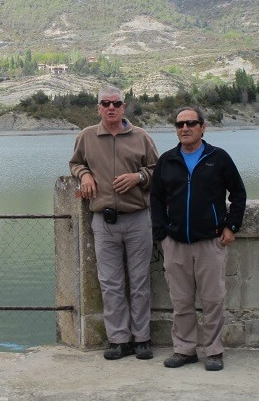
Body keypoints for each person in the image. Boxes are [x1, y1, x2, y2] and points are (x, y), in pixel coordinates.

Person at [150, 106, 246, 372]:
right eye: (180, 124)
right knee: (181, 301)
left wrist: (231, 226)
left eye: (191, 123)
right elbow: (156, 198)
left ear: (203, 128)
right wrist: (161, 234)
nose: (185, 128)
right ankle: (184, 350)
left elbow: (238, 193)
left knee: (213, 300)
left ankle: (214, 351)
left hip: (210, 242)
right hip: (176, 243)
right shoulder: (167, 160)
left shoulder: (218, 158)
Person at [69, 85, 160, 361]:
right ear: (98, 108)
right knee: (110, 283)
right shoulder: (86, 137)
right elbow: (75, 163)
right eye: (106, 103)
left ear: (124, 107)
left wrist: (138, 177)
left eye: (116, 103)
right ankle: (119, 340)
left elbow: (158, 170)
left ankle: (142, 338)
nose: (111, 108)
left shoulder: (141, 137)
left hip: (138, 219)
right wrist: (84, 174)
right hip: (104, 221)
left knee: (140, 281)